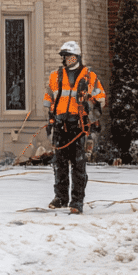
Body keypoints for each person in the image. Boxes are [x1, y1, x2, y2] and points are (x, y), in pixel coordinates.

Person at [43, 40, 106, 215]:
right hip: (60, 123)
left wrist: (92, 107)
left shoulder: (89, 76)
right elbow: (49, 98)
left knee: (78, 165)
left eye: (69, 56)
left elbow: (100, 97)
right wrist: (49, 120)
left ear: (77, 57)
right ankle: (60, 198)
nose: (65, 59)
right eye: (64, 56)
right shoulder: (55, 76)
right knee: (59, 163)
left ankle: (76, 201)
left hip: (79, 126)